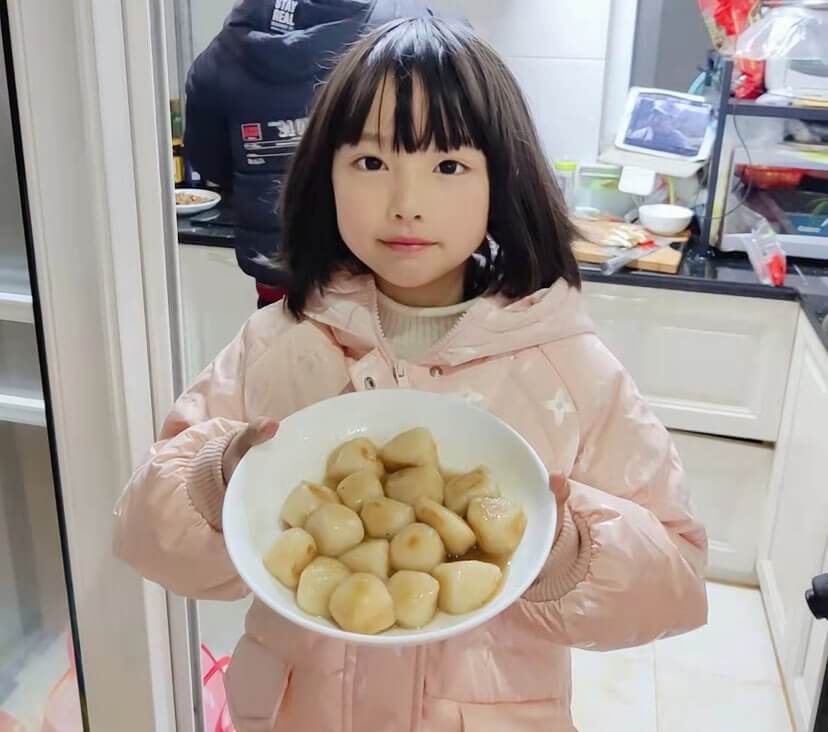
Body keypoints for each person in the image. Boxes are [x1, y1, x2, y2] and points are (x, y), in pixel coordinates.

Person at [116, 17, 708, 731]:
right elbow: (146, 534)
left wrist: (569, 553)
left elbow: (677, 579)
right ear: (325, 174)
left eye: (448, 165)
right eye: (370, 162)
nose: (406, 202)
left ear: (501, 179)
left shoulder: (567, 367)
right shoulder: (278, 342)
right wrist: (218, 478)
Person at [184, 0, 432, 308]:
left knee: (281, 335)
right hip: (378, 273)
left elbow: (209, 160)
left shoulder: (222, 54)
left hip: (280, 279)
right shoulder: (406, 27)